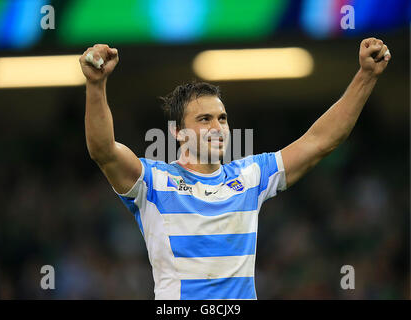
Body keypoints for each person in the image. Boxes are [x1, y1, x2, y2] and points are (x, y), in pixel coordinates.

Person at [79, 38, 390, 300]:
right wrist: (96, 85)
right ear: (177, 133)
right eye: (204, 119)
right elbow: (103, 150)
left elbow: (320, 141)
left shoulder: (250, 175)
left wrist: (366, 76)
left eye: (222, 118)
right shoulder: (154, 182)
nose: (218, 127)